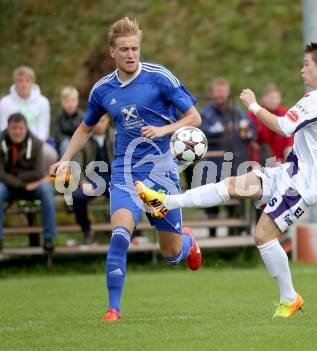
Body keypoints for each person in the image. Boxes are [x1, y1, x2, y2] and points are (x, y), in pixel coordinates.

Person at [136, 43, 317, 318]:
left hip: (301, 184)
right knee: (233, 185)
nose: (302, 69)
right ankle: (166, 201)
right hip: (288, 172)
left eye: (306, 64)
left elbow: (283, 127)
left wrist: (253, 105)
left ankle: (289, 297)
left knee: (263, 235)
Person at [49, 17, 202, 322]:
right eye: (124, 49)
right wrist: (65, 157)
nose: (131, 54)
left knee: (171, 255)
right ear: (112, 53)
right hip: (125, 173)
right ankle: (113, 309)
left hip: (161, 172)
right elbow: (85, 128)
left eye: (135, 48)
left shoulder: (160, 78)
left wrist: (164, 130)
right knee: (120, 234)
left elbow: (194, 118)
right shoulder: (103, 90)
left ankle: (187, 241)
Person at [198, 77, 255, 237]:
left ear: (228, 93)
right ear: (211, 94)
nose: (220, 97)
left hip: (235, 165)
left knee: (237, 203)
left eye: (223, 94)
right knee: (211, 202)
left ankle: (236, 234)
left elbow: (250, 131)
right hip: (211, 166)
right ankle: (212, 234)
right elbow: (200, 133)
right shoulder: (205, 114)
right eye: (217, 94)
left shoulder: (237, 112)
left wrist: (241, 131)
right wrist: (224, 130)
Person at [0, 113, 57, 252]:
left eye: (20, 128)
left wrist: (14, 176)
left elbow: (38, 172)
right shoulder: (1, 141)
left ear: (26, 128)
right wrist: (21, 184)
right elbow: (0, 174)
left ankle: (49, 238)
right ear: (8, 128)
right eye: (14, 128)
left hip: (33, 185)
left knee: (46, 190)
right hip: (10, 186)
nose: (17, 131)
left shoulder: (37, 143)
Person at [0, 66, 58, 172]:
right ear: (15, 82)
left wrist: (31, 147)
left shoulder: (43, 102)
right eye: (20, 80)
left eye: (27, 80)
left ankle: (41, 180)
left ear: (33, 82)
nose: (24, 84)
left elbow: (43, 130)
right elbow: (3, 128)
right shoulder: (5, 102)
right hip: (11, 141)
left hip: (35, 143)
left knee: (50, 154)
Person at [71, 115, 114, 245]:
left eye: (102, 121)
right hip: (91, 180)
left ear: (108, 121)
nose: (99, 124)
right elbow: (76, 164)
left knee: (132, 193)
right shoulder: (82, 138)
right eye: (96, 121)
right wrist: (82, 182)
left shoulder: (116, 136)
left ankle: (131, 232)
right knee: (77, 197)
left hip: (114, 178)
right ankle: (87, 231)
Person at [248, 84, 293, 164]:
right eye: (270, 98)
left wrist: (287, 159)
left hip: (281, 160)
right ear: (263, 98)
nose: (273, 101)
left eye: (276, 98)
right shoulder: (254, 114)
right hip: (260, 159)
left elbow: (290, 139)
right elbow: (250, 140)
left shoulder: (285, 113)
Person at [54, 86, 84, 156]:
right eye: (67, 101)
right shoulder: (59, 117)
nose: (70, 104)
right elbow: (58, 134)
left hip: (79, 143)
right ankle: (66, 166)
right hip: (64, 143)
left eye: (73, 100)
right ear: (62, 102)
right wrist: (68, 141)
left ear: (77, 101)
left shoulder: (82, 116)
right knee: (66, 145)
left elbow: (84, 132)